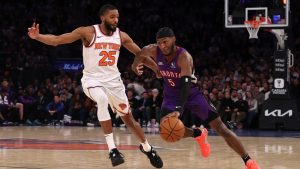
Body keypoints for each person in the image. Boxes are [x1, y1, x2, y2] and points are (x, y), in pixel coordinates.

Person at [28, 4, 163, 168]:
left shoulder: (121, 36)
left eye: (117, 17)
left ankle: (148, 148)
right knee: (101, 99)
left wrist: (156, 68)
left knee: (129, 120)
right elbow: (58, 40)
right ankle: (112, 149)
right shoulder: (88, 32)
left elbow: (140, 53)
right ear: (103, 17)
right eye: (112, 17)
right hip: (92, 80)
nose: (116, 20)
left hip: (114, 82)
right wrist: (38, 37)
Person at [131, 27, 260, 169]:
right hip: (171, 95)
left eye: (165, 42)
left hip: (192, 93)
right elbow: (140, 53)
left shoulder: (183, 56)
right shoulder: (154, 50)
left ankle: (248, 160)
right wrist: (136, 65)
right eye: (160, 43)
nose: (163, 46)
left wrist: (179, 110)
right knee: (166, 130)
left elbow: (186, 84)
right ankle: (198, 134)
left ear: (174, 39)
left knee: (220, 127)